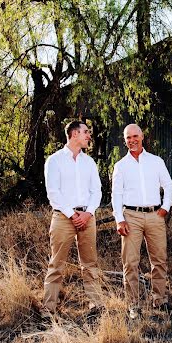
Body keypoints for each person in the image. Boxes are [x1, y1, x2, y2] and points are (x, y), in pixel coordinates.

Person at [112, 124, 172, 317]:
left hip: (155, 215)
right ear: (125, 140)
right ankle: (133, 305)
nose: (132, 140)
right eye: (128, 137)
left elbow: (169, 185)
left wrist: (165, 207)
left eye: (135, 136)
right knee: (130, 262)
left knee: (159, 260)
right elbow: (116, 195)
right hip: (131, 217)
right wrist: (119, 220)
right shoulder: (120, 166)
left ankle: (160, 299)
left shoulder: (156, 161)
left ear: (142, 136)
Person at [43, 120, 103, 315]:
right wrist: (72, 214)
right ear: (74, 134)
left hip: (87, 217)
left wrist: (88, 213)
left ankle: (96, 305)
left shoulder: (89, 162)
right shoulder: (55, 160)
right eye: (86, 132)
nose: (88, 136)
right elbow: (53, 193)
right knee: (57, 263)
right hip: (63, 218)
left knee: (90, 263)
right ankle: (49, 308)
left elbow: (97, 191)